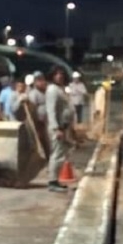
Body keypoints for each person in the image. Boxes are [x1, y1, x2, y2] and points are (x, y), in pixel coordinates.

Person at [45, 65, 73, 193]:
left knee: (60, 154)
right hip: (58, 128)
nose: (59, 76)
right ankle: (52, 181)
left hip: (63, 127)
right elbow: (51, 111)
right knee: (57, 155)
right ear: (52, 76)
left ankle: (55, 180)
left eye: (61, 74)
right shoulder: (52, 90)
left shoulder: (60, 89)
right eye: (57, 74)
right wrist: (56, 128)